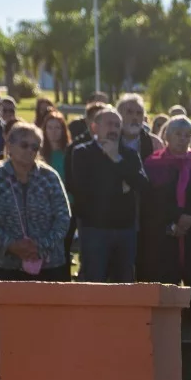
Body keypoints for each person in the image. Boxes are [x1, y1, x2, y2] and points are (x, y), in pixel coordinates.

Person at [145, 117, 191, 347]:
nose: (183, 140)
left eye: (187, 135)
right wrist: (175, 220)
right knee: (167, 284)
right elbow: (153, 200)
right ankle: (166, 336)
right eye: (178, 135)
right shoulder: (153, 164)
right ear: (167, 136)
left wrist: (188, 219)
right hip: (165, 233)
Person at [0, 122, 73, 282]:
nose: (30, 151)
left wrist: (40, 246)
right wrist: (11, 245)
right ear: (9, 145)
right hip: (5, 264)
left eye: (35, 147)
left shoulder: (49, 177)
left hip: (48, 264)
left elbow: (63, 217)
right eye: (24, 145)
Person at [69, 109, 150, 282]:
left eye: (117, 125)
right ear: (94, 127)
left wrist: (116, 159)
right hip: (94, 229)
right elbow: (84, 190)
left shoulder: (128, 154)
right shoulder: (82, 153)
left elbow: (142, 184)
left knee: (124, 283)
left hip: (125, 230)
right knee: (94, 283)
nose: (113, 128)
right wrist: (121, 185)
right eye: (108, 124)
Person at [39, 110, 72, 181]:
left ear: (63, 130)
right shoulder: (39, 153)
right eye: (50, 128)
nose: (53, 131)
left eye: (57, 128)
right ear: (45, 130)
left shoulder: (70, 153)